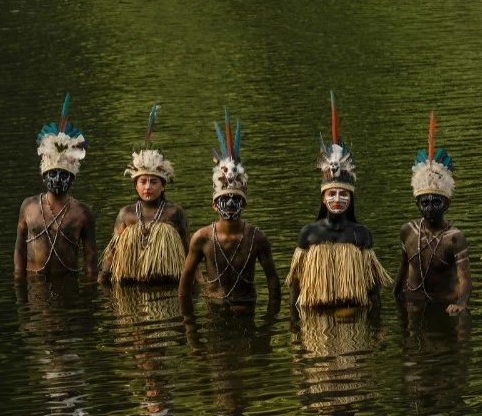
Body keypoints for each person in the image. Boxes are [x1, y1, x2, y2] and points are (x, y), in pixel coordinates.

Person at [287, 92, 392, 309]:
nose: (337, 199)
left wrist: (375, 326)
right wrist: (295, 326)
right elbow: (295, 285)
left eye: (344, 194)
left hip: (354, 316)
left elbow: (373, 288)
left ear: (351, 198)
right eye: (332, 194)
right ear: (323, 198)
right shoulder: (309, 233)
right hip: (316, 322)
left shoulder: (361, 234)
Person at [179, 109, 281, 310]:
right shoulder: (202, 238)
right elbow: (186, 278)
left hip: (247, 307)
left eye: (235, 199)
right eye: (224, 199)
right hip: (214, 309)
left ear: (244, 204)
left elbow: (272, 279)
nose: (230, 204)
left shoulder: (257, 238)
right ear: (214, 204)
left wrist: (270, 321)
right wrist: (189, 326)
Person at [98, 104, 190, 284]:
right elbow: (112, 253)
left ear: (163, 186)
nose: (148, 187)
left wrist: (196, 284)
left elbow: (188, 252)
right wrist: (102, 279)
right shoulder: (126, 214)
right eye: (143, 182)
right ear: (135, 185)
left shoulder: (174, 213)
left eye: (154, 182)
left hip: (168, 286)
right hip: (130, 286)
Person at [393, 111, 471, 315]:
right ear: (417, 203)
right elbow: (403, 268)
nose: (429, 208)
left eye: (435, 202)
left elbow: (465, 280)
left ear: (446, 204)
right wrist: (395, 298)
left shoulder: (454, 238)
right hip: (412, 302)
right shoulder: (407, 231)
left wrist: (461, 304)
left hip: (444, 304)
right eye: (424, 202)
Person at [14, 93, 97, 279]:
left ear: (73, 179)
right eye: (52, 174)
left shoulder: (83, 212)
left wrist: (89, 293)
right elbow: (19, 249)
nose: (58, 180)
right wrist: (19, 284)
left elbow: (90, 257)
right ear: (43, 178)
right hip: (35, 285)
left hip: (69, 285)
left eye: (64, 175)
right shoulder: (29, 207)